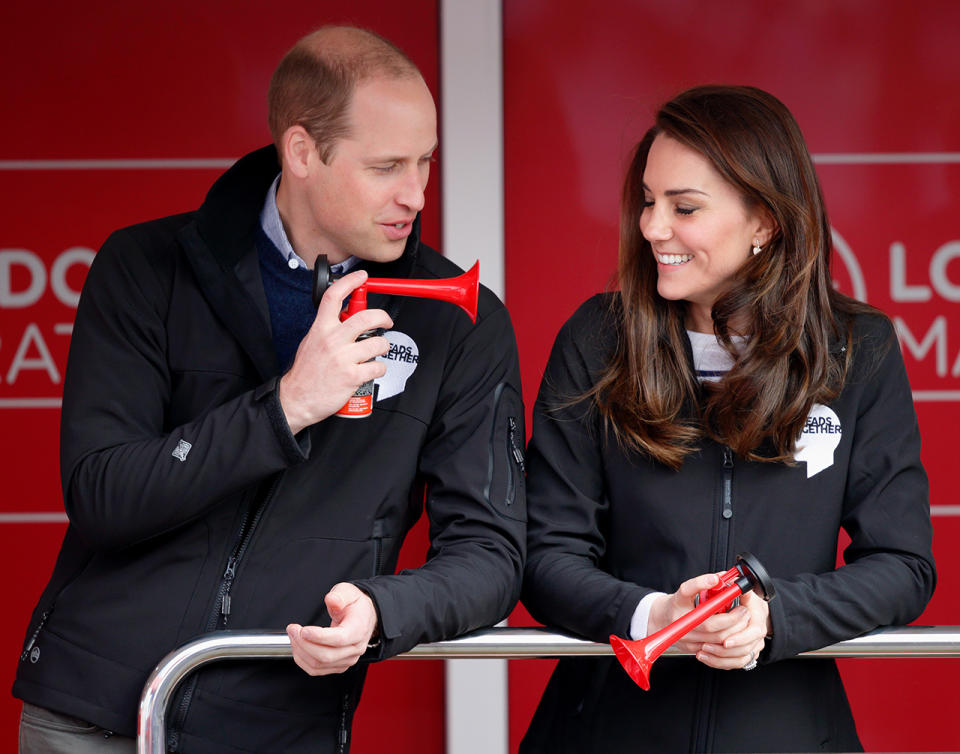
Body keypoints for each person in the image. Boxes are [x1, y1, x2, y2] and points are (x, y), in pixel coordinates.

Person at [14, 26, 526, 753]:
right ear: (302, 152)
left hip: (279, 726)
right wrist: (286, 406)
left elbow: (490, 552)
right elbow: (103, 495)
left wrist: (384, 610)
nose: (414, 194)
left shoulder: (459, 321)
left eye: (425, 162)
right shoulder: (145, 267)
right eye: (386, 166)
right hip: (92, 716)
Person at [520, 85, 935, 753]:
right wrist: (656, 616)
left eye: (683, 207)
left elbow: (904, 564)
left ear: (765, 221)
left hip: (790, 731)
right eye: (648, 202)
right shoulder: (597, 339)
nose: (653, 227)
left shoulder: (860, 349)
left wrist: (776, 619)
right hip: (604, 730)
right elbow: (544, 555)